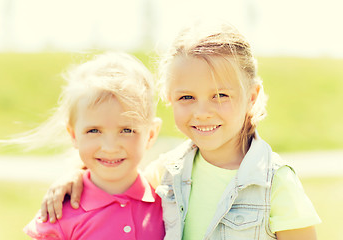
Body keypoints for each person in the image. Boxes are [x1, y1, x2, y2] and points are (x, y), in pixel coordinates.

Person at [39, 21, 321, 240]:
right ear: (169, 98)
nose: (202, 112)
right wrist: (76, 177)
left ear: (251, 95)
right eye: (187, 97)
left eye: (220, 95)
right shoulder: (166, 173)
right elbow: (115, 178)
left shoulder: (276, 184)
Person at [21, 52, 165, 239]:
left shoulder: (169, 204)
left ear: (151, 134)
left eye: (127, 130)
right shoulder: (58, 214)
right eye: (94, 131)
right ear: (73, 134)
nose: (110, 147)